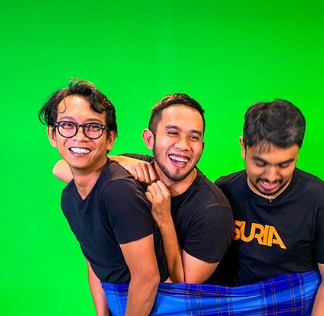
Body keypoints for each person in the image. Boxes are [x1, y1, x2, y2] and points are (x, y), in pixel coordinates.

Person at [39, 79, 169, 316]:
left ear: (110, 138)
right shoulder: (70, 197)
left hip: (154, 313)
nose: (79, 136)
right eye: (67, 125)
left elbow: (147, 277)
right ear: (52, 135)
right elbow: (94, 263)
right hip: (120, 312)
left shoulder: (118, 192)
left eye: (93, 127)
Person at [216, 99, 324, 316]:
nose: (271, 177)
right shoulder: (223, 192)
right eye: (260, 163)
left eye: (284, 164)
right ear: (243, 147)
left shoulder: (322, 202)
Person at [54, 93, 234, 284]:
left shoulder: (213, 210)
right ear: (149, 139)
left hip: (180, 301)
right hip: (126, 290)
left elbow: (181, 288)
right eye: (173, 133)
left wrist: (164, 219)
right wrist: (116, 160)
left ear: (202, 146)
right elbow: (61, 168)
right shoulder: (131, 167)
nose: (183, 145)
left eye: (193, 137)